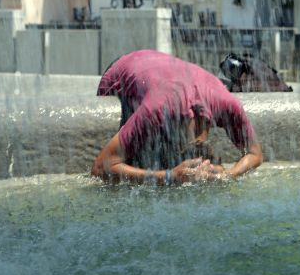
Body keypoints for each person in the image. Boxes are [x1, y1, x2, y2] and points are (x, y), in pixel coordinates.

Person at [91, 50, 263, 185]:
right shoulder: (157, 110)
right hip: (120, 69)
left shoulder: (228, 105)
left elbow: (255, 154)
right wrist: (169, 176)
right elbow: (100, 168)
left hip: (157, 62)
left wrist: (227, 175)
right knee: (130, 172)